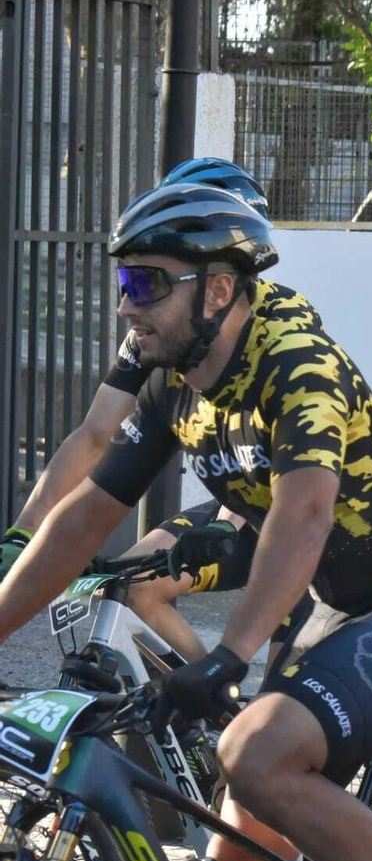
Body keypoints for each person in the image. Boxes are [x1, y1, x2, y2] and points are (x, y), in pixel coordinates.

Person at [0, 183, 372, 861]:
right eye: (122, 283)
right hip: (339, 599)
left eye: (145, 285)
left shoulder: (297, 364)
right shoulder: (176, 383)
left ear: (219, 289)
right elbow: (81, 523)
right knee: (240, 856)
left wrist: (228, 657)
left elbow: (304, 514)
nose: (125, 306)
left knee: (256, 753)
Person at [0, 159, 312, 662]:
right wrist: (24, 531)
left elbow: (263, 444)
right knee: (124, 588)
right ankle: (205, 714)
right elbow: (96, 434)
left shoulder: (282, 323)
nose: (132, 302)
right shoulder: (160, 331)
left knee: (287, 706)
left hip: (299, 517)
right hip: (239, 504)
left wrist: (231, 525)